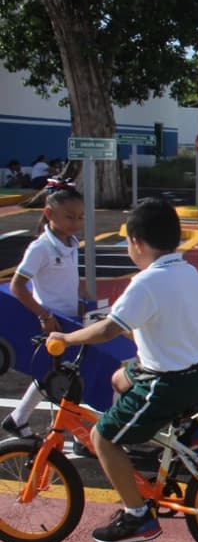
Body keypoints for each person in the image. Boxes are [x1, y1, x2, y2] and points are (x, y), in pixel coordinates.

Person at [47, 197, 198, 542]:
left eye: (127, 242)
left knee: (102, 438)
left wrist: (66, 338)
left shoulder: (145, 282)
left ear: (137, 243)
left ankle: (137, 515)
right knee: (120, 378)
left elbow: (108, 330)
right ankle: (188, 429)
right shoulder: (186, 271)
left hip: (168, 384)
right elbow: (160, 322)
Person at [1, 186, 86, 438]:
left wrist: (81, 300)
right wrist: (44, 315)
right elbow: (17, 285)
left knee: (58, 374)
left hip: (70, 319)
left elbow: (68, 280)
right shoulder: (41, 248)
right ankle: (82, 435)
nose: (76, 222)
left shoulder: (69, 243)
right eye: (70, 216)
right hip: (53, 323)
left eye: (80, 217)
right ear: (49, 213)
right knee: (65, 375)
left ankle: (18, 419)